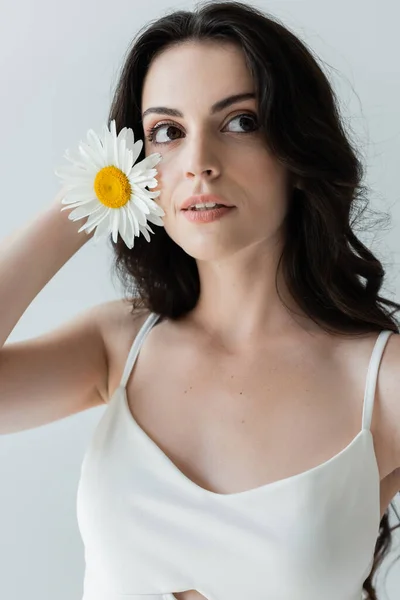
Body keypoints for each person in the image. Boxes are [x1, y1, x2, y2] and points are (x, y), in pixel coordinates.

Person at [1, 1, 400, 599]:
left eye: (240, 122)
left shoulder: (380, 381)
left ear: (296, 149)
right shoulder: (119, 345)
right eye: (167, 132)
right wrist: (89, 197)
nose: (199, 165)